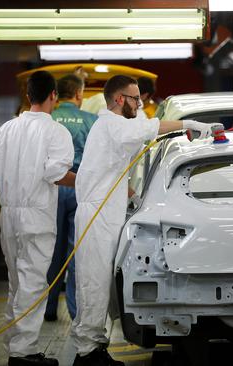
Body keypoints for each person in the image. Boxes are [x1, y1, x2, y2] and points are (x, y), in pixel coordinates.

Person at [71, 75, 213, 366]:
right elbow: (147, 128)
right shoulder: (111, 123)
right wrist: (187, 124)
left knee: (104, 288)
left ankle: (95, 347)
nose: (141, 103)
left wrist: (134, 196)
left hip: (108, 212)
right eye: (136, 99)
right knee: (93, 284)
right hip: (97, 216)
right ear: (120, 99)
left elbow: (114, 170)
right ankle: (86, 353)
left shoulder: (115, 127)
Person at [0, 70, 75, 366]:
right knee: (33, 282)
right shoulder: (56, 132)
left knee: (16, 283)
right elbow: (57, 174)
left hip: (8, 216)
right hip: (36, 215)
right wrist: (91, 180)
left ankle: (16, 345)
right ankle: (23, 352)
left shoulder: (7, 129)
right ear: (54, 96)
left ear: (27, 95)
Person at [44, 74, 98, 323]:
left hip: (50, 190)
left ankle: (48, 308)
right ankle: (77, 312)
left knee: (50, 251)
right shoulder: (91, 121)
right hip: (80, 189)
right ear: (78, 94)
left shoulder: (47, 120)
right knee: (77, 251)